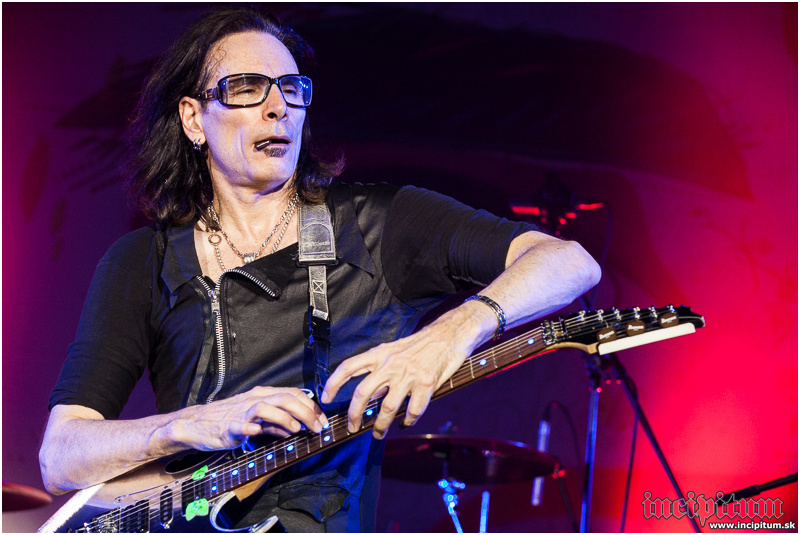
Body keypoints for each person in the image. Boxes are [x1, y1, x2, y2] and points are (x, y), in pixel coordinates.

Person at [39, 7, 601, 532]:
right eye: (247, 88)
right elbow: (60, 457)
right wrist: (184, 425)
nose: (277, 107)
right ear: (193, 119)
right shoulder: (142, 260)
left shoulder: (378, 225)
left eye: (291, 89)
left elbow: (569, 261)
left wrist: (454, 330)